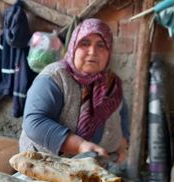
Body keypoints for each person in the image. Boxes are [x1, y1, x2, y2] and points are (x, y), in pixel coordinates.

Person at [19, 18, 130, 164]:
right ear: (73, 47)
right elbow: (35, 123)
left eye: (101, 45)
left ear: (109, 51)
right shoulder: (55, 77)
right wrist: (79, 146)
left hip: (95, 166)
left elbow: (123, 115)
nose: (92, 52)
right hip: (46, 166)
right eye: (84, 43)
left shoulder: (112, 82)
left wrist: (122, 144)